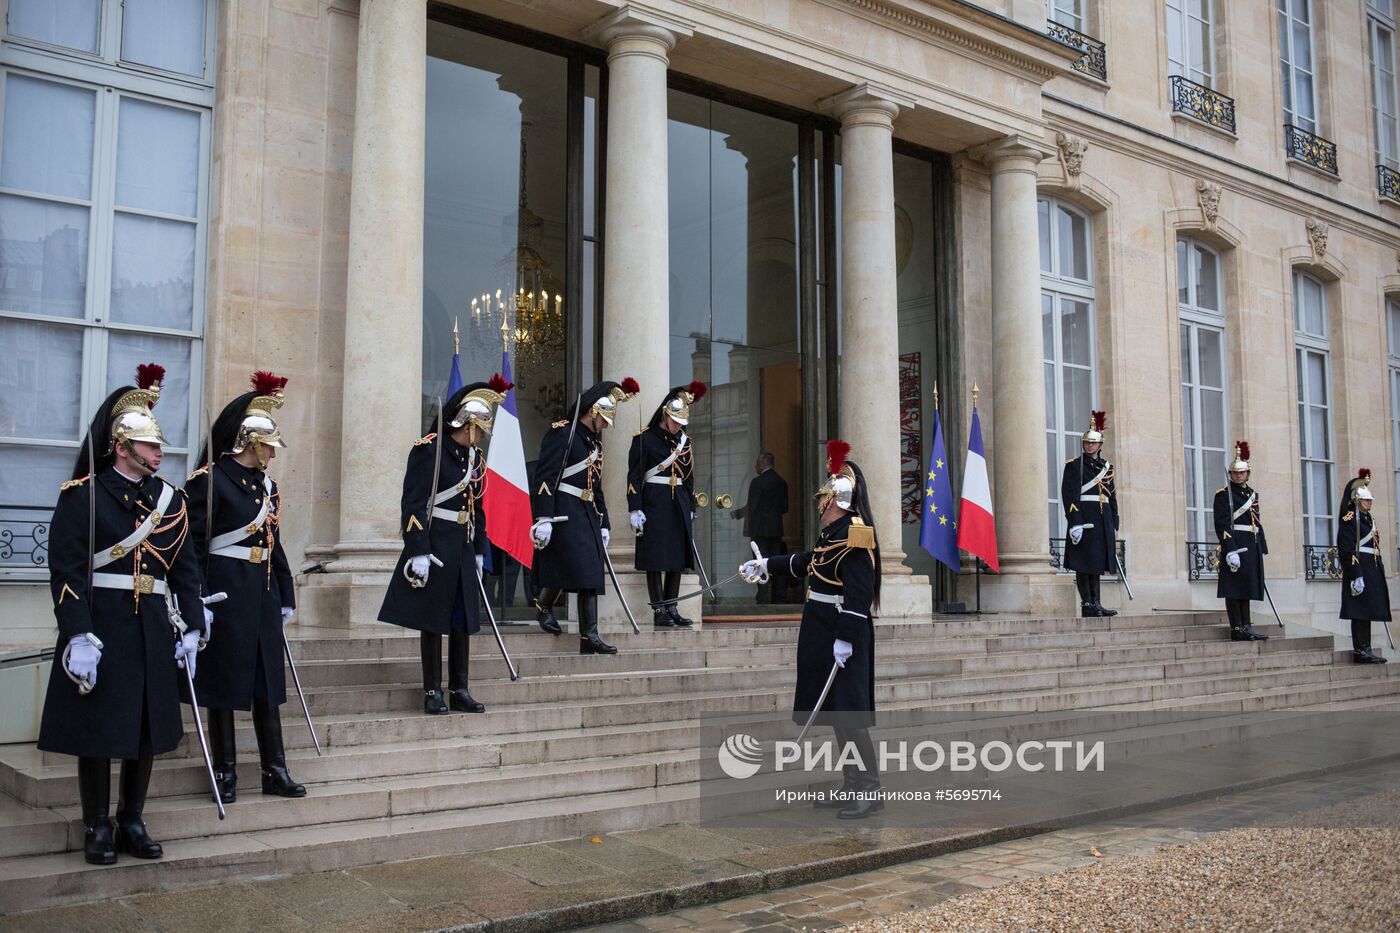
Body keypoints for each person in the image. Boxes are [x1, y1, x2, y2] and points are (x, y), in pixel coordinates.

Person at [36, 364, 208, 864]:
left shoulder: (170, 501)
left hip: (153, 626)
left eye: (159, 445)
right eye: (151, 445)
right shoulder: (84, 496)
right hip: (103, 624)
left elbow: (186, 570)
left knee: (145, 729)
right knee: (98, 730)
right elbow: (66, 571)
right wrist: (78, 634)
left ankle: (132, 817)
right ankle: (96, 825)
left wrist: (194, 624)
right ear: (122, 447)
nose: (160, 452)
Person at [740, 440, 880, 820]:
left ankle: (869, 787)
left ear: (836, 498)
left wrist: (847, 637)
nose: (819, 502)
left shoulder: (856, 532)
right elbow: (807, 562)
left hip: (839, 629)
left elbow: (861, 589)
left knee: (850, 714)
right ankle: (851, 784)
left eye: (824, 497)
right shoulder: (831, 532)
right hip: (820, 627)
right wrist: (767, 565)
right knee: (836, 713)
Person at [185, 371, 303, 803]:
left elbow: (274, 542)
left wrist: (285, 593)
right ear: (250, 442)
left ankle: (275, 769)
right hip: (225, 591)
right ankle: (226, 770)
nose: (273, 452)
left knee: (266, 684)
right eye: (268, 444)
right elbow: (193, 547)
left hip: (262, 591)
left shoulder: (268, 486)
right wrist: (196, 598)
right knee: (222, 683)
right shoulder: (209, 481)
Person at [379, 376, 509, 714]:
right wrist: (417, 549)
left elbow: (478, 507)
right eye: (479, 429)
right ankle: (432, 691)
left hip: (463, 549)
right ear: (466, 425)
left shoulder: (474, 459)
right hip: (436, 548)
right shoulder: (429, 451)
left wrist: (480, 550)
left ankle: (460, 688)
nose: (481, 436)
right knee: (433, 621)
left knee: (462, 622)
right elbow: (413, 504)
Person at [531, 378, 639, 655]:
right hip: (565, 509)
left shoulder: (594, 443)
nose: (605, 425)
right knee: (572, 567)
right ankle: (544, 604)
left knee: (589, 573)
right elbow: (545, 478)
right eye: (603, 419)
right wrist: (544, 516)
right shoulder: (563, 433)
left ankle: (588, 636)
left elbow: (595, 484)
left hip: (588, 512)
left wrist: (604, 522)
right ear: (592, 411)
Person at [628, 382, 706, 628]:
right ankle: (658, 609)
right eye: (675, 422)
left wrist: (691, 505)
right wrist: (635, 507)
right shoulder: (645, 439)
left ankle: (672, 606)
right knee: (656, 558)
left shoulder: (685, 441)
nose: (677, 427)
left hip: (679, 500)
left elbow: (690, 475)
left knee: (677, 557)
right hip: (655, 500)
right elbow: (634, 476)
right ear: (665, 415)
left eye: (681, 423)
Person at [1060, 410, 1119, 618]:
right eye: (1087, 443)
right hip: (1085, 520)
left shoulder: (1106, 467)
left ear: (1100, 445)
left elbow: (1111, 495)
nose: (1090, 446)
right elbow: (1069, 495)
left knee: (1096, 564)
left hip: (1102, 520)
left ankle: (1097, 602)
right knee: (1084, 564)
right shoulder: (1075, 466)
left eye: (1093, 443)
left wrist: (1114, 520)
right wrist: (1075, 521)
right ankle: (1087, 604)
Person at [1214, 441, 1268, 641]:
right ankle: (1236, 628)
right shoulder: (1223, 495)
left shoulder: (1252, 495)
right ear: (1230, 474)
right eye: (1235, 473)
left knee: (1247, 588)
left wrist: (1261, 545)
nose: (1238, 475)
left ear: (1247, 473)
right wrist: (1230, 549)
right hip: (1235, 543)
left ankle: (1246, 625)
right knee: (1234, 588)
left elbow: (1256, 521)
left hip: (1250, 543)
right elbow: (1221, 524)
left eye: (1242, 472)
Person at [1337, 469, 1390, 664]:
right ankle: (1360, 650)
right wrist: (1355, 574)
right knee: (1359, 611)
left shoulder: (1368, 519)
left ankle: (1366, 647)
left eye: (1370, 500)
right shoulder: (1350, 519)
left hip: (1371, 568)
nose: (1370, 503)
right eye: (1366, 500)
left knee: (1367, 610)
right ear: (1357, 500)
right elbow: (1347, 548)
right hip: (1359, 569)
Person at [733, 452, 789, 603]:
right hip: (776, 531)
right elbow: (785, 507)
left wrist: (737, 514)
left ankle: (763, 597)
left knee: (759, 563)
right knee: (776, 563)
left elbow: (752, 507)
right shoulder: (781, 482)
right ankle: (780, 597)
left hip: (759, 531)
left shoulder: (757, 482)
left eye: (757, 463)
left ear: (763, 463)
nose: (755, 466)